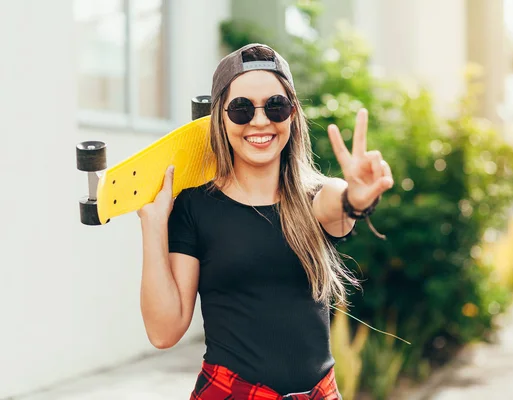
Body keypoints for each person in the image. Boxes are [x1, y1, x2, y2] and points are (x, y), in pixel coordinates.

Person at [137, 43, 394, 400]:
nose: (260, 121)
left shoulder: (315, 198)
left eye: (275, 106)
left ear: (292, 114)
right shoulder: (194, 207)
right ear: (220, 119)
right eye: (242, 109)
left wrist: (356, 198)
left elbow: (338, 203)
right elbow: (164, 332)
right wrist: (152, 224)